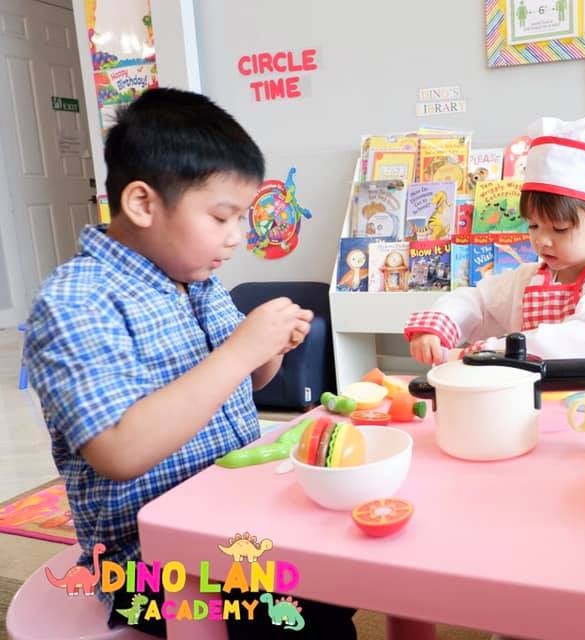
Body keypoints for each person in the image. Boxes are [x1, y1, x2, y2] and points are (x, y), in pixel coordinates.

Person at [23, 88, 357, 639]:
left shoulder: (196, 281)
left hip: (233, 516)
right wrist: (240, 350)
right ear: (143, 204)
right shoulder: (76, 301)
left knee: (337, 569)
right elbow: (120, 450)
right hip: (146, 569)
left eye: (243, 218)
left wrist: (271, 348)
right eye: (223, 217)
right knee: (295, 612)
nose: (237, 237)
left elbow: (246, 384)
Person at [404, 109, 585, 383]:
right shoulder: (527, 278)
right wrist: (438, 325)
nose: (542, 240)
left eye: (560, 228)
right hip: (539, 400)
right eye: (533, 225)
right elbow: (478, 300)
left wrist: (492, 351)